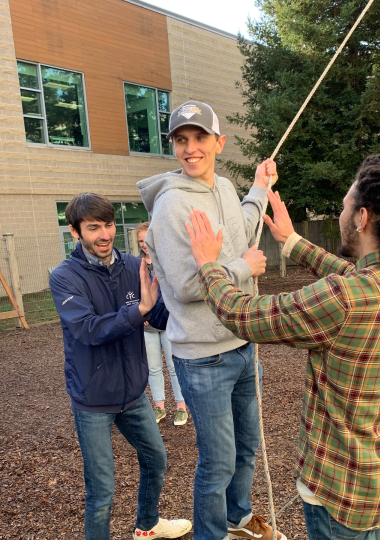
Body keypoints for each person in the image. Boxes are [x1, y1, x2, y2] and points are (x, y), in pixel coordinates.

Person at [185, 153, 380, 540]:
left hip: (339, 488)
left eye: (346, 206)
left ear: (362, 217)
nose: (342, 213)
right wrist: (292, 241)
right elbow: (357, 276)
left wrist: (209, 265)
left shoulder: (344, 299)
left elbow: (243, 314)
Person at [138, 101, 285, 540]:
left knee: (247, 447)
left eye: (199, 138)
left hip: (242, 344)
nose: (190, 148)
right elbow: (182, 286)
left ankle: (237, 518)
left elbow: (240, 224)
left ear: (219, 143)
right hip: (203, 359)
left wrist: (258, 189)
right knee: (218, 460)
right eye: (181, 140)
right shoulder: (170, 208)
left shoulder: (221, 187)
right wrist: (243, 269)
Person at [49, 193, 192, 540]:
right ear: (74, 231)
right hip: (93, 398)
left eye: (109, 225)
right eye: (93, 227)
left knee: (155, 459)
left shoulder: (133, 266)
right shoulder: (64, 278)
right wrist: (139, 311)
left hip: (132, 394)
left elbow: (156, 314)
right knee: (102, 490)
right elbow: (88, 330)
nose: (104, 234)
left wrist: (178, 293)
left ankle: (147, 525)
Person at [136, 222, 188, 426]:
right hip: (147, 325)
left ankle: (181, 407)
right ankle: (159, 407)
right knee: (154, 367)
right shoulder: (135, 264)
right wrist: (142, 313)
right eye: (141, 241)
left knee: (174, 366)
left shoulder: (167, 261)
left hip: (168, 323)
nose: (145, 244)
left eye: (147, 239)